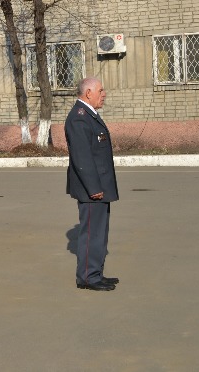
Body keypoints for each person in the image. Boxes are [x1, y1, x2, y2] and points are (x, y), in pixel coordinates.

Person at [64, 77, 120, 291]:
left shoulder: (89, 115)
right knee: (91, 234)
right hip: (92, 189)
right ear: (88, 93)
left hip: (99, 186)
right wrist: (94, 188)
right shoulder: (79, 118)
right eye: (100, 90)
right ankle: (87, 277)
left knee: (99, 232)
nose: (104, 94)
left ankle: (96, 273)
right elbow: (82, 158)